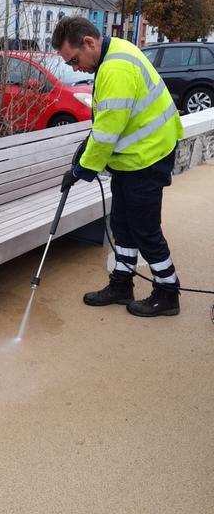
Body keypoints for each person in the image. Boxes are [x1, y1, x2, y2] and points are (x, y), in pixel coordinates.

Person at [51, 16, 184, 317]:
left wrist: (80, 171)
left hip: (147, 158)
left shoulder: (116, 69)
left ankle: (168, 292)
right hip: (133, 157)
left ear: (88, 42)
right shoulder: (114, 52)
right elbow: (109, 121)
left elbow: (108, 133)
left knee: (145, 229)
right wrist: (87, 146)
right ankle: (122, 283)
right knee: (122, 224)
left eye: (74, 60)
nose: (75, 68)